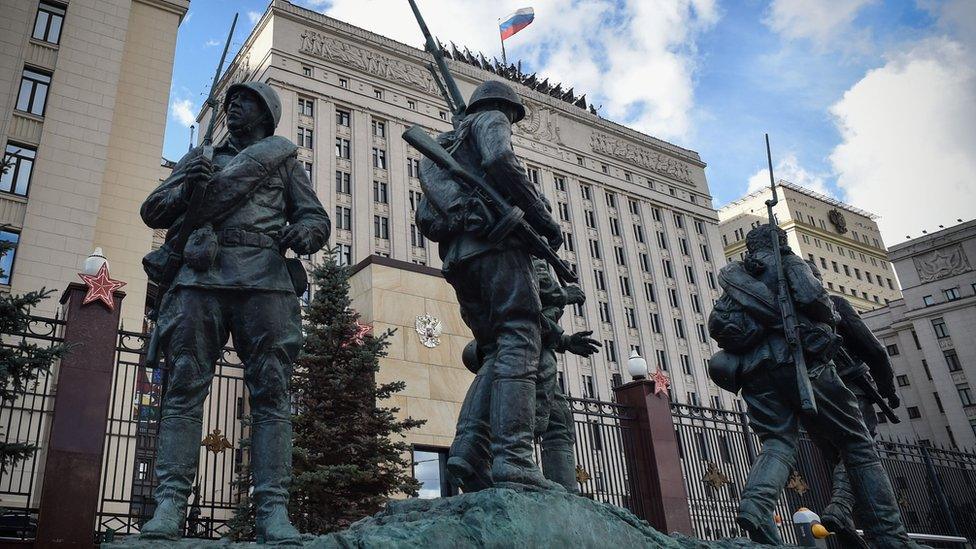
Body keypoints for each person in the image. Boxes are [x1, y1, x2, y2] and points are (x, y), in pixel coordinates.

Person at [139, 81, 330, 543]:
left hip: (265, 280)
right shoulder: (202, 158)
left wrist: (303, 235)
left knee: (271, 394)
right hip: (199, 276)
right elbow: (153, 210)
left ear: (265, 112)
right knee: (183, 386)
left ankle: (273, 512)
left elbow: (316, 219)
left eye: (242, 100)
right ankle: (168, 504)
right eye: (230, 101)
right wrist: (188, 186)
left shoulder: (282, 161)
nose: (232, 106)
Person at [707, 224, 920, 548]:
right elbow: (815, 301)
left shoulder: (737, 277)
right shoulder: (788, 264)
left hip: (753, 372)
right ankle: (891, 538)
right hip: (801, 364)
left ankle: (756, 505)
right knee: (857, 443)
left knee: (777, 442)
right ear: (781, 242)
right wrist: (823, 308)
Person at [415, 80, 563, 490]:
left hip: (462, 262)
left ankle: (467, 451)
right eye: (512, 118)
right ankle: (513, 458)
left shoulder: (442, 152)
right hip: (498, 252)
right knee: (520, 339)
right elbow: (500, 158)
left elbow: (426, 219)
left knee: (497, 350)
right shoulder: (491, 120)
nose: (510, 124)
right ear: (505, 110)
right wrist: (543, 217)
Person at [456, 259, 600, 492]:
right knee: (544, 417)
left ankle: (469, 447)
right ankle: (507, 461)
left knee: (553, 415)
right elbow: (525, 306)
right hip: (528, 350)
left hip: (515, 339)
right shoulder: (524, 252)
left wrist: (564, 340)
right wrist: (563, 294)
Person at [805, 261, 901, 547]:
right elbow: (874, 349)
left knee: (840, 459)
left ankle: (852, 522)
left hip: (814, 400)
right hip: (850, 392)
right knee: (861, 452)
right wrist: (887, 387)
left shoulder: (791, 317)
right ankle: (843, 508)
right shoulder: (834, 304)